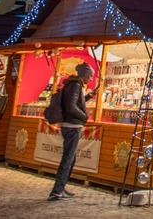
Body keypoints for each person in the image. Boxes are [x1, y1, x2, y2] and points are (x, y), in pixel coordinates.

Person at [48, 62, 95, 201]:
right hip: (72, 125)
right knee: (68, 158)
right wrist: (84, 116)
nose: (91, 79)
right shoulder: (76, 85)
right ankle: (57, 190)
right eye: (90, 76)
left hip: (69, 124)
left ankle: (61, 187)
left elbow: (74, 102)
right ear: (85, 75)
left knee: (71, 158)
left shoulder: (72, 84)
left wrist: (88, 97)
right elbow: (71, 106)